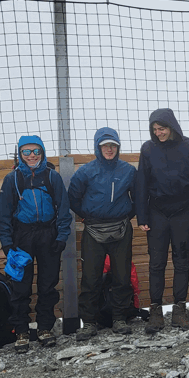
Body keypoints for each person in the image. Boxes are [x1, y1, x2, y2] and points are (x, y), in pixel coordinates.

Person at [0, 135, 72, 348]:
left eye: (36, 151)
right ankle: (21, 330)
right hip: (22, 236)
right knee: (20, 285)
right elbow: (2, 215)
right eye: (26, 152)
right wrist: (7, 243)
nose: (32, 156)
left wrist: (61, 237)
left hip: (48, 234)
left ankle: (45, 328)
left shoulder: (52, 176)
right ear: (19, 154)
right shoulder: (12, 179)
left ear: (42, 152)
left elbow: (64, 209)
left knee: (48, 284)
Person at [135, 109, 189, 333]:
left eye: (162, 128)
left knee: (182, 261)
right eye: (155, 129)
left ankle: (179, 309)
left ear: (171, 127)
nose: (158, 133)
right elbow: (142, 182)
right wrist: (142, 215)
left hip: (183, 210)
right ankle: (155, 310)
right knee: (156, 262)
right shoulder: (148, 149)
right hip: (157, 212)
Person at [68, 128, 136, 341]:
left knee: (122, 276)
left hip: (121, 228)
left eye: (113, 145)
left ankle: (119, 318)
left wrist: (125, 215)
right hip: (93, 229)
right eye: (105, 145)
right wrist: (88, 215)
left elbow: (138, 197)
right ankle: (89, 322)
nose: (109, 149)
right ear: (98, 147)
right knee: (90, 277)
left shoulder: (128, 171)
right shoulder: (85, 172)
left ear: (118, 147)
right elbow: (73, 198)